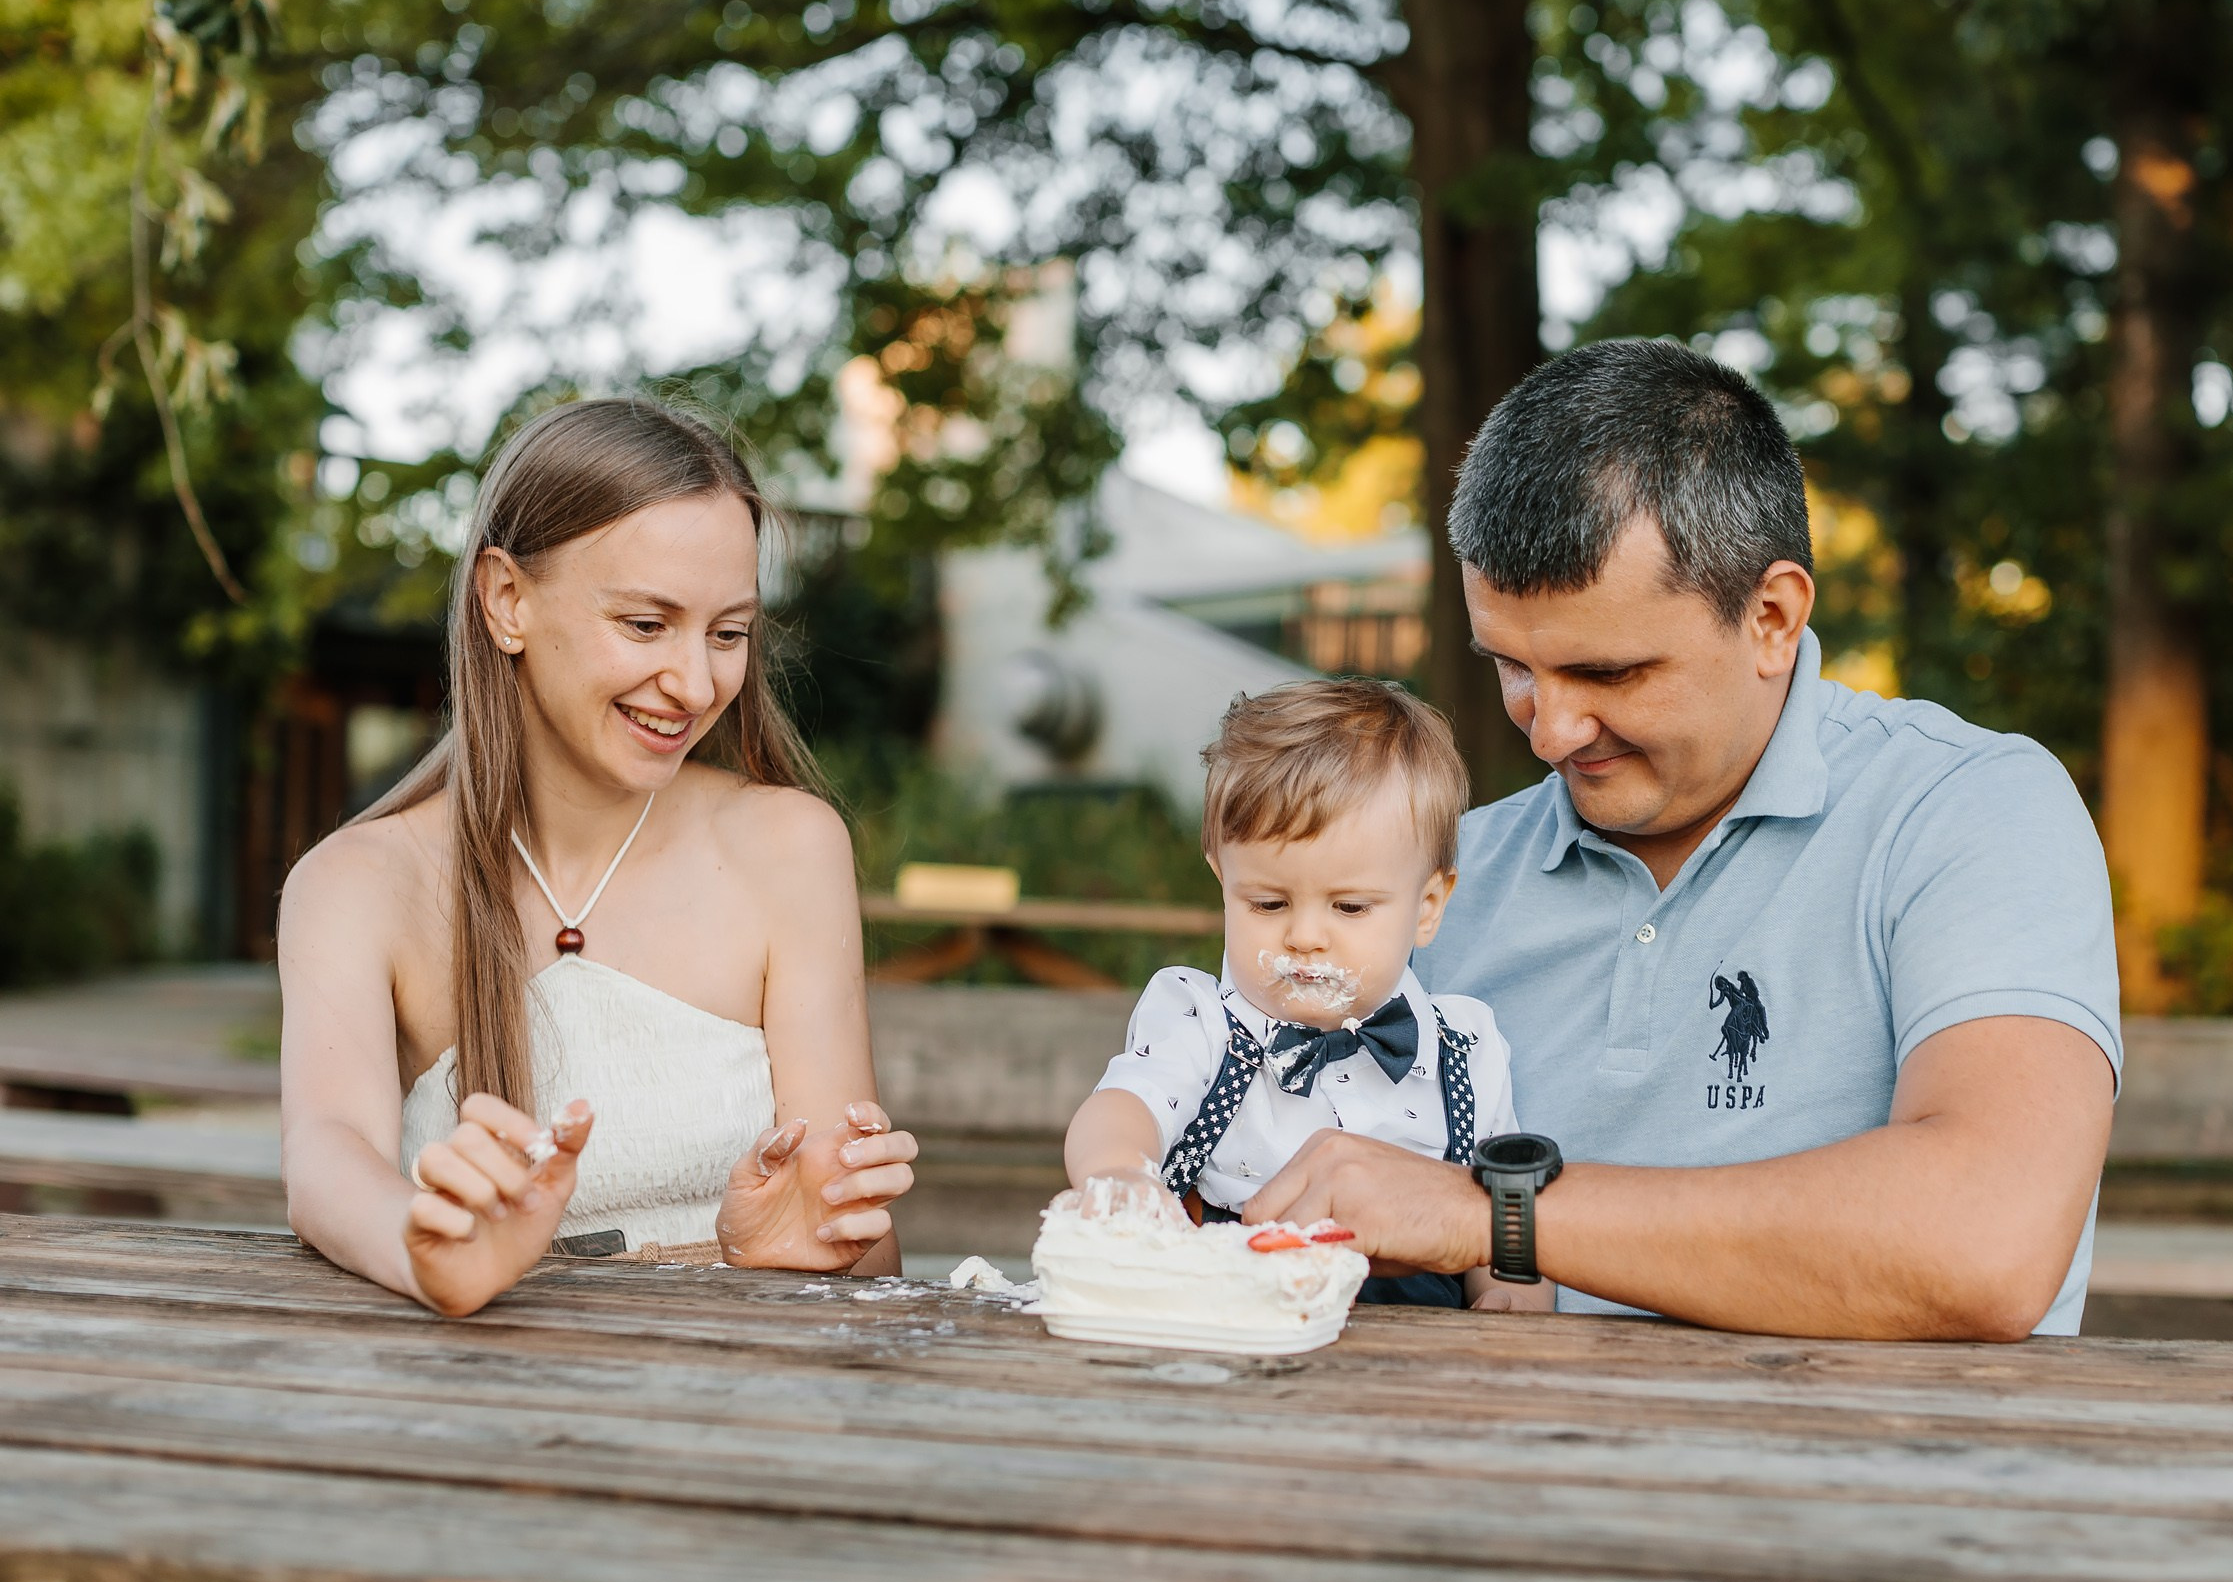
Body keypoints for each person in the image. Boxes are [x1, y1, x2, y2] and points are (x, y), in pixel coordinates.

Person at [1237, 339, 2121, 1340]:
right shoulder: (1436, 880)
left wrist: (1492, 1216)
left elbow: (1987, 1242)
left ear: (1772, 617)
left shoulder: (1969, 809)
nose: (1549, 732)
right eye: (1512, 666)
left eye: (1608, 673)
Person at [278, 398, 919, 1317]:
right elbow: (326, 1158)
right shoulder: (356, 884)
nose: (694, 684)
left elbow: (864, 1245)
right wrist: (431, 1254)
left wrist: (801, 1251)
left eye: (728, 633)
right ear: (507, 601)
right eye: (647, 624)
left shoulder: (791, 847)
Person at [1061, 679, 1551, 1311]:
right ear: (1224, 882)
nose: (1305, 937)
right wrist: (1119, 1173)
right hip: (1233, 1316)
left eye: (1350, 907)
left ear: (1427, 907)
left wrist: (1509, 1298)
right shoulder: (1202, 1024)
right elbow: (1126, 1105)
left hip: (1417, 1341)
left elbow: (1501, 1216)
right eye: (1269, 903)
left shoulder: (1464, 1049)